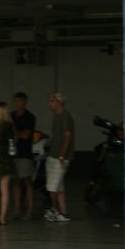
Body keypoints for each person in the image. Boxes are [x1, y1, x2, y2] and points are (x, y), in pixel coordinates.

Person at [44, 91, 75, 222]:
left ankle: (54, 210)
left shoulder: (64, 116)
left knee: (52, 187)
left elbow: (67, 136)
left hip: (59, 158)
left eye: (52, 101)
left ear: (58, 102)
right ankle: (63, 212)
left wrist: (62, 155)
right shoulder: (57, 116)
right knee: (59, 187)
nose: (49, 104)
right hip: (53, 155)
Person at [11, 92, 36, 220]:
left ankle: (30, 210)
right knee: (15, 182)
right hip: (12, 153)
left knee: (27, 181)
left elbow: (26, 135)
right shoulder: (11, 116)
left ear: (25, 102)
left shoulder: (29, 117)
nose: (17, 103)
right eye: (15, 101)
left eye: (20, 101)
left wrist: (14, 131)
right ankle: (17, 210)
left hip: (24, 153)